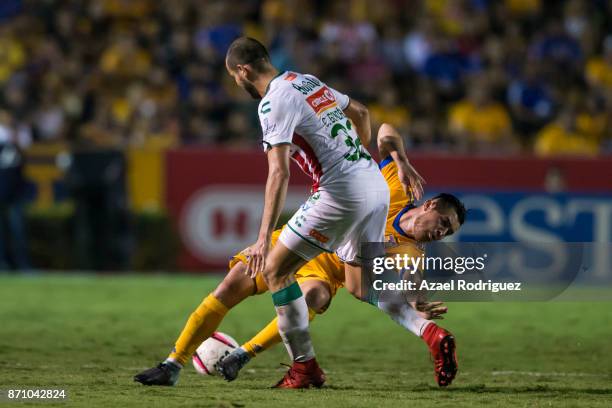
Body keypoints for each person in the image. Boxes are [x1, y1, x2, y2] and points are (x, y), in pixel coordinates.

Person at [134, 123, 465, 388]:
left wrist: (414, 301)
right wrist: (403, 161)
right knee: (229, 288)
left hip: (323, 272)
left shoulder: (413, 252)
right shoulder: (397, 184)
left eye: (448, 233)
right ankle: (172, 363)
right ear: (431, 204)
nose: (442, 233)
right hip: (296, 241)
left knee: (314, 297)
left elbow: (408, 282)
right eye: (444, 223)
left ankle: (244, 354)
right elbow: (386, 130)